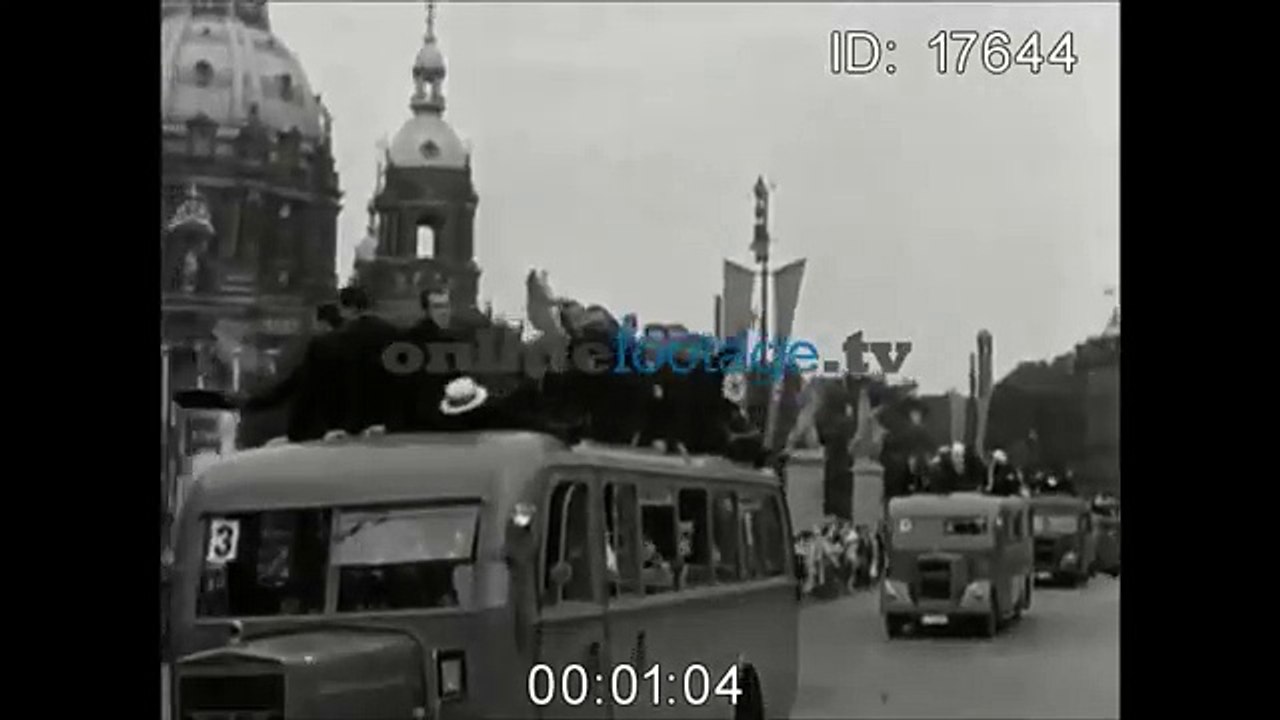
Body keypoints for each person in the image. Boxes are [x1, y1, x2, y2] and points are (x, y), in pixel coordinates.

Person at [240, 302, 346, 441]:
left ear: (323, 323)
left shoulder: (319, 349)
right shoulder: (352, 347)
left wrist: (253, 402)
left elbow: (291, 384)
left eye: (315, 323)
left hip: (319, 427)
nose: (314, 328)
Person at [333, 285, 401, 435]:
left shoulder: (343, 336)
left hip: (352, 416)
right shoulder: (391, 331)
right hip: (385, 414)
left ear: (349, 308)